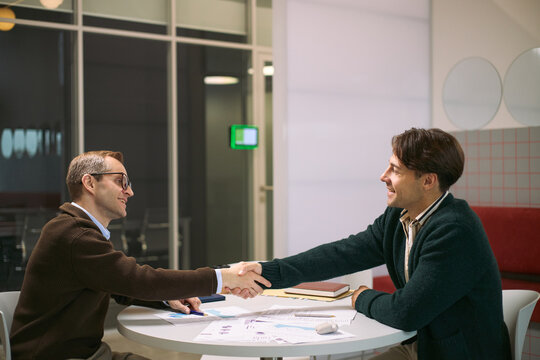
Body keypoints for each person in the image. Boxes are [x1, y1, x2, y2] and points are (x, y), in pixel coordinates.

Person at [236, 128, 511, 360]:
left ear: (428, 181)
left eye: (396, 170)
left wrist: (361, 297)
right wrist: (266, 272)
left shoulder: (454, 230)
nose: (383, 176)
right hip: (422, 344)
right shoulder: (399, 216)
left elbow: (405, 312)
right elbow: (341, 254)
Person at [10, 150, 271, 360]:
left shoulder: (76, 229)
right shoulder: (75, 235)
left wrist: (169, 298)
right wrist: (221, 277)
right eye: (120, 181)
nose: (130, 191)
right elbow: (138, 279)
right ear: (90, 182)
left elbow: (119, 285)